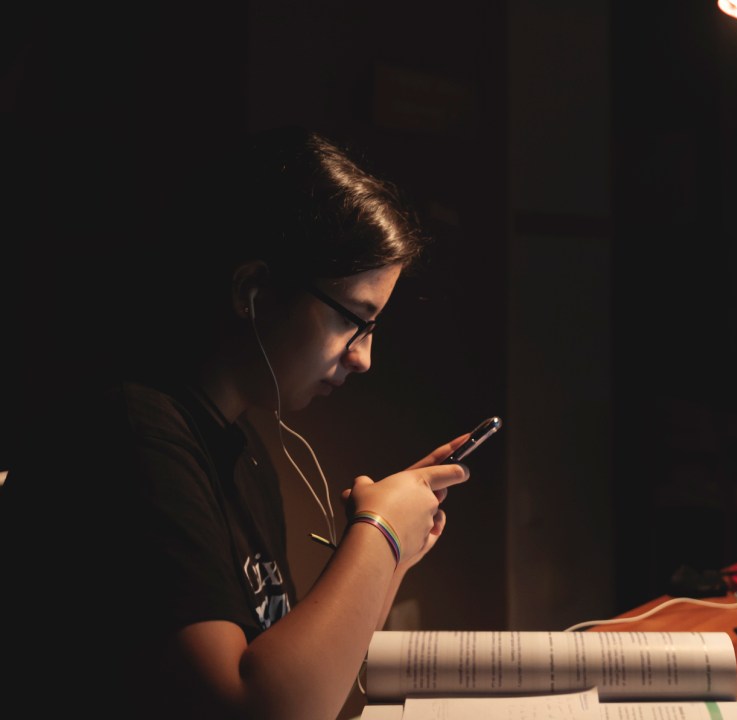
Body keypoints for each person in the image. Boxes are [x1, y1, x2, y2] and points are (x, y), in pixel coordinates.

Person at [0, 126, 468, 719]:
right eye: (356, 320)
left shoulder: (240, 450)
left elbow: (306, 684)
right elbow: (255, 708)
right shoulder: (132, 437)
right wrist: (379, 532)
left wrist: (391, 556)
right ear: (253, 291)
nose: (363, 357)